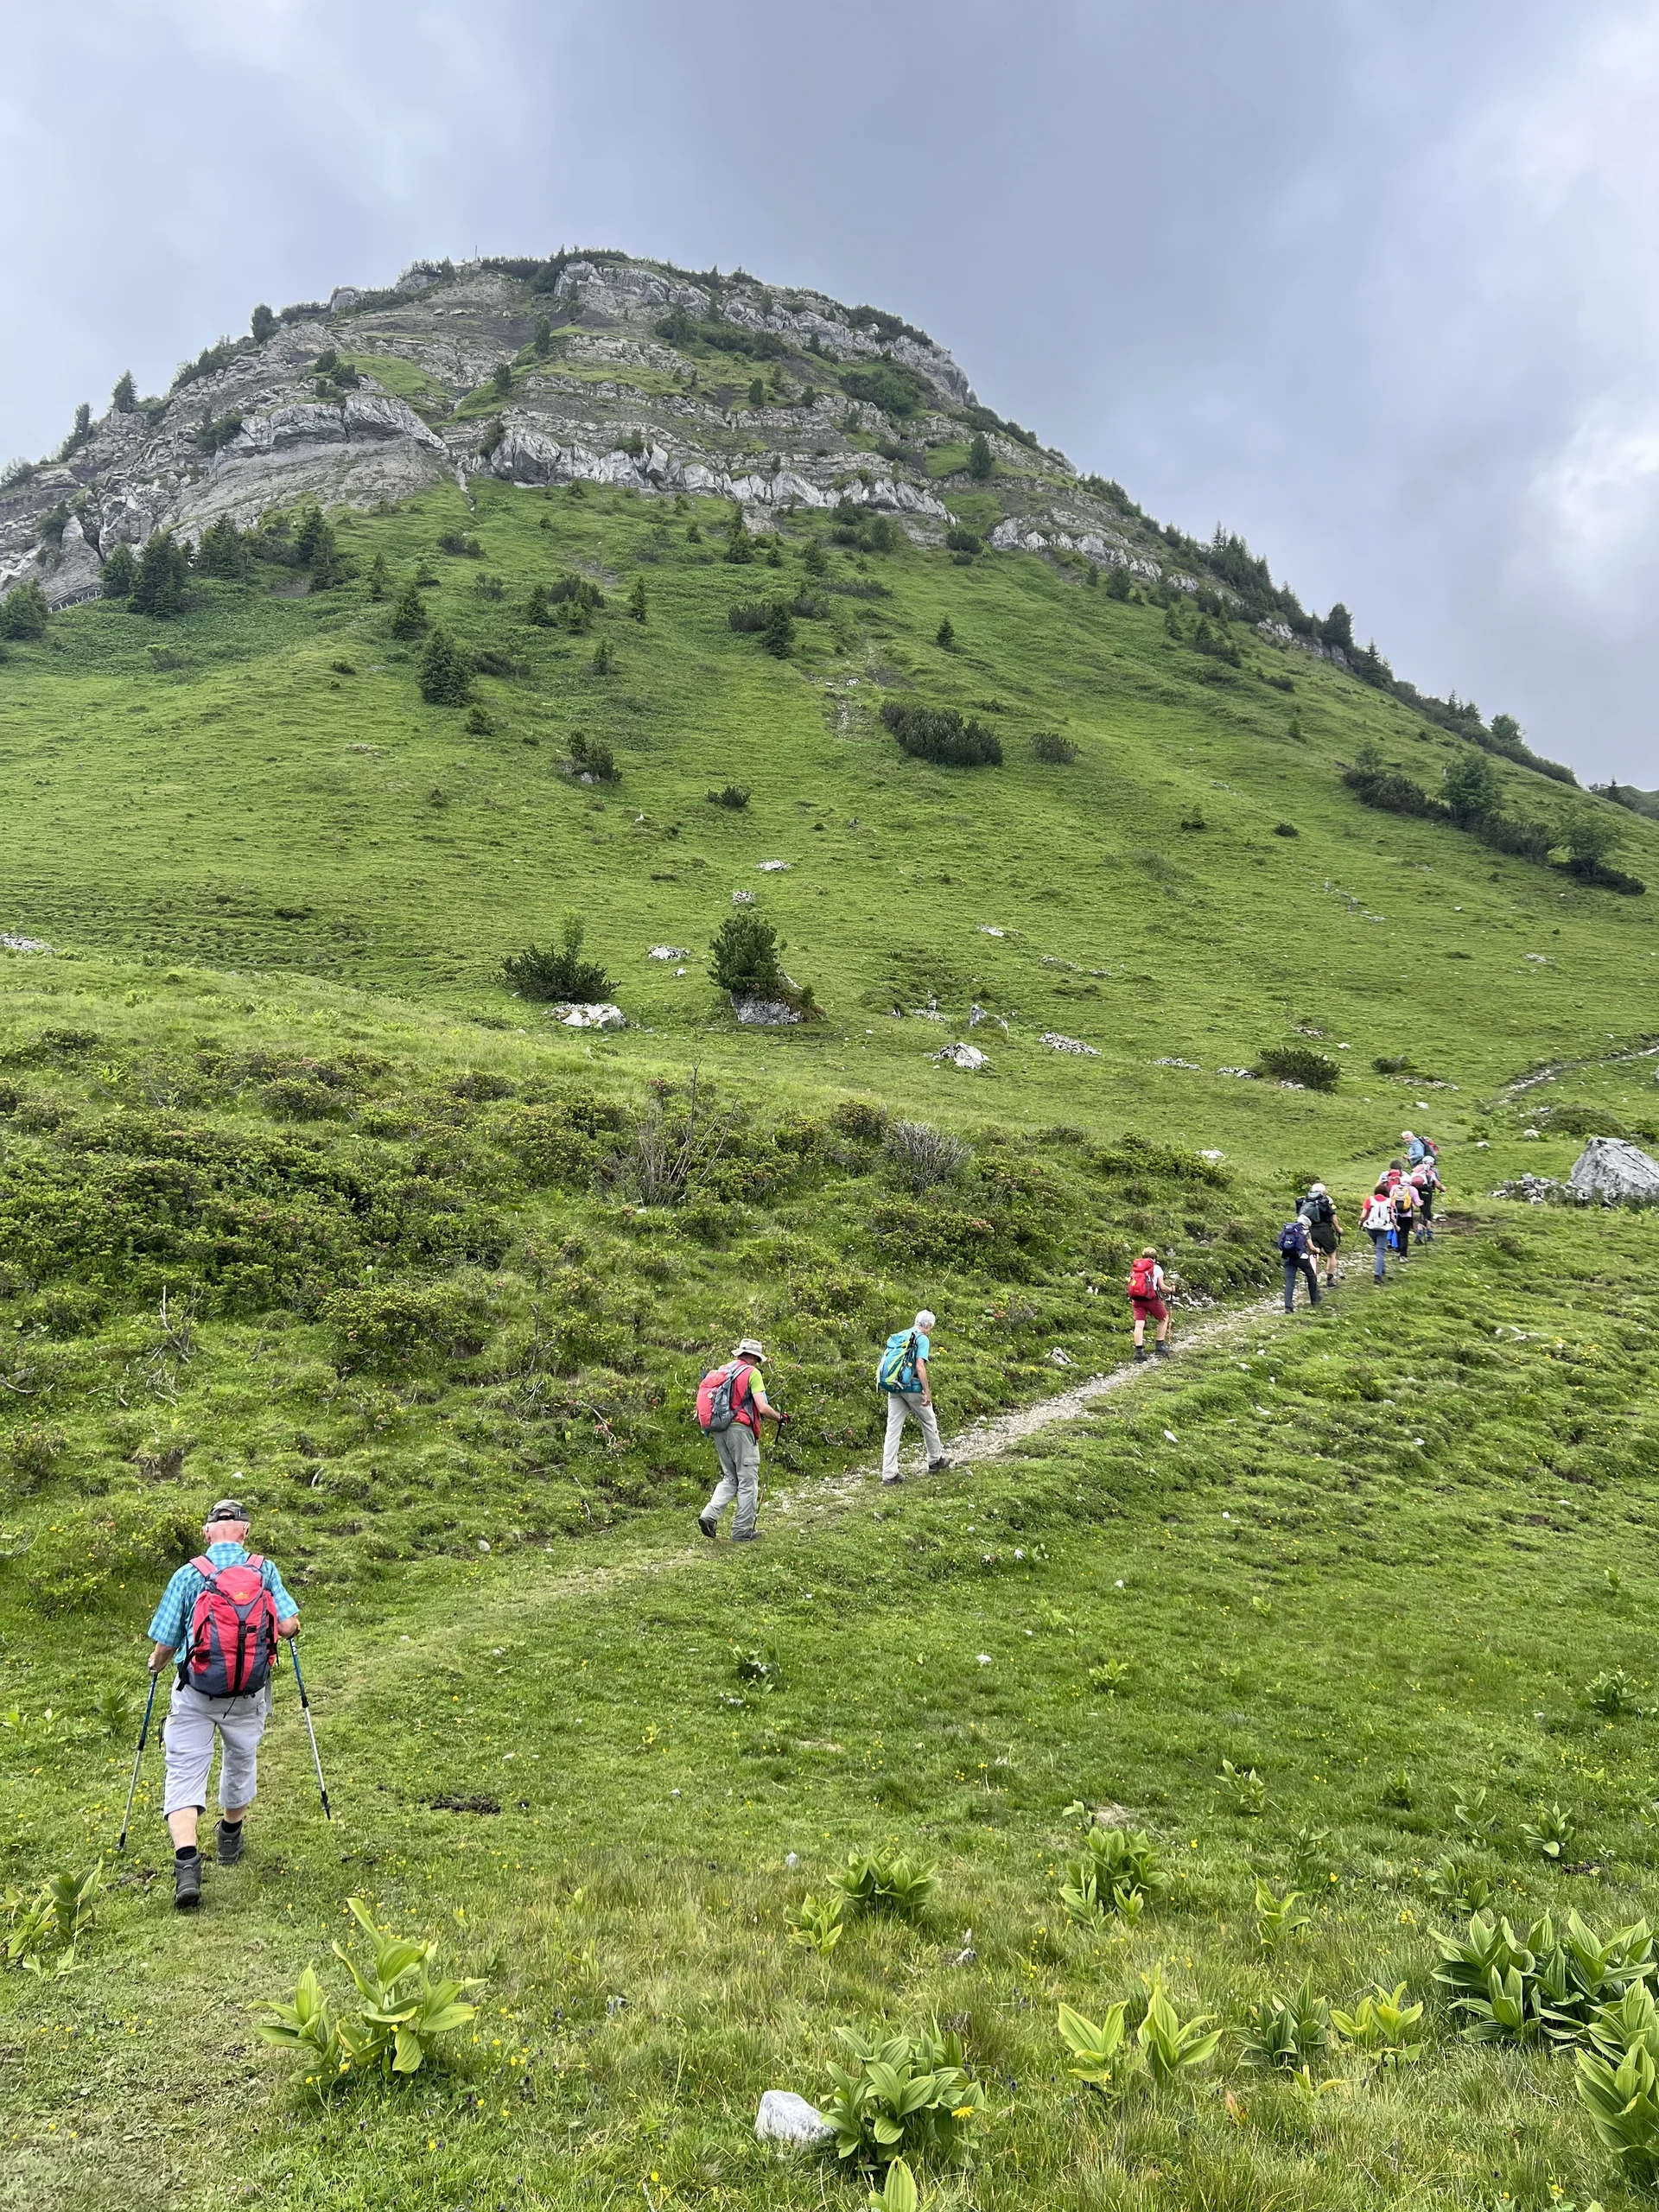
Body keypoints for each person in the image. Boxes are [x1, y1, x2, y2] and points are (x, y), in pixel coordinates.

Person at [146, 1497, 300, 1910]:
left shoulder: (188, 1574)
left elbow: (166, 1641)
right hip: (248, 1694)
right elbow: (288, 1626)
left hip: (196, 1692)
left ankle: (187, 1865)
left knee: (184, 1766)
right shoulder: (265, 1570)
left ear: (207, 1532)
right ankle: (230, 1836)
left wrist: (156, 1664)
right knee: (240, 1758)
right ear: (246, 1531)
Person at [696, 1338, 782, 1543]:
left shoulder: (723, 1370)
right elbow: (761, 1407)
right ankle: (742, 1531)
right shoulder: (752, 1373)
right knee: (747, 1480)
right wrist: (780, 1417)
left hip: (718, 1429)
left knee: (730, 1478)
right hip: (741, 1430)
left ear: (739, 1354)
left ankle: (709, 1515)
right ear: (753, 1357)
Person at [878, 1309, 952, 1484]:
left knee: (893, 1429)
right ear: (928, 1326)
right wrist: (927, 1391)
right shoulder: (922, 1339)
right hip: (912, 1388)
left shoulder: (901, 1335)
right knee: (928, 1421)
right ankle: (935, 1460)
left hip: (895, 1387)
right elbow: (920, 1366)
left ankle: (889, 1474)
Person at [1126, 1248, 1170, 1362]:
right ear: (1155, 1258)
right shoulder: (1157, 1268)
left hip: (1136, 1299)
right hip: (1151, 1299)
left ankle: (1139, 1352)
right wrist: (1171, 1289)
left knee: (1139, 1325)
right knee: (1164, 1319)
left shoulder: (1136, 1268)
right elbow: (1162, 1287)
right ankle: (1160, 1346)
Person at [1300, 1181, 1342, 1289]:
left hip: (1310, 1230)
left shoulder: (1306, 1200)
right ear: (1323, 1191)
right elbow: (1333, 1216)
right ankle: (1330, 1280)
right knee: (1331, 1254)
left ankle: (1312, 1279)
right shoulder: (1326, 1200)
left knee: (1313, 1254)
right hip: (1325, 1230)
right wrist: (1338, 1228)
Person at [1278, 1211, 1320, 1311]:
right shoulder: (1305, 1232)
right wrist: (1317, 1250)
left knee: (1289, 1281)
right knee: (1311, 1276)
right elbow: (1311, 1248)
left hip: (1288, 1257)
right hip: (1301, 1258)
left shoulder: (1288, 1230)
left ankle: (1288, 1307)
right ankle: (1314, 1301)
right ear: (1306, 1224)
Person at [1361, 1181, 1395, 1280]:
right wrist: (1396, 1225)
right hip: (1384, 1228)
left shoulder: (1369, 1200)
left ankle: (1381, 1269)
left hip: (1371, 1228)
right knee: (1380, 1250)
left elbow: (1364, 1215)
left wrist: (1361, 1222)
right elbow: (1392, 1217)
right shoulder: (1389, 1202)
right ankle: (1378, 1274)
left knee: (1379, 1247)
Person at [1410, 1153, 1441, 1243]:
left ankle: (1429, 1234)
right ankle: (1419, 1236)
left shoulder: (1415, 1171)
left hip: (1415, 1192)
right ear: (1431, 1163)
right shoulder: (1432, 1172)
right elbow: (1438, 1184)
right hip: (1427, 1193)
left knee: (1427, 1213)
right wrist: (1443, 1189)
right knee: (1425, 1213)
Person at [1389, 1170, 1418, 1259]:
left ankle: (1398, 1250)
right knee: (1404, 1234)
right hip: (1407, 1215)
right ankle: (1403, 1255)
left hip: (1396, 1214)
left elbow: (1390, 1199)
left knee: (1397, 1232)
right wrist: (1422, 1203)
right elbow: (1417, 1202)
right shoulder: (1412, 1189)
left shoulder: (1394, 1187)